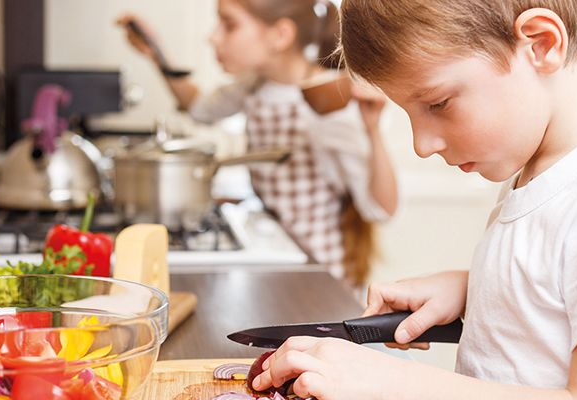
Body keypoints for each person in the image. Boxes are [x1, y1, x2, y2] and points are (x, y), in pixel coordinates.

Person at [251, 0, 577, 399]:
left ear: (540, 44)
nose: (422, 145)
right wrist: (477, 288)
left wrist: (391, 383)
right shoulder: (544, 173)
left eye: (438, 103)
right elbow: (562, 288)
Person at [117, 0, 398, 285]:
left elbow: (379, 208)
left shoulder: (325, 100)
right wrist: (158, 55)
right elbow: (199, 108)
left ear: (280, 35)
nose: (212, 37)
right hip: (277, 261)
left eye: (229, 25)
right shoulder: (254, 85)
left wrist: (372, 131)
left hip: (319, 275)